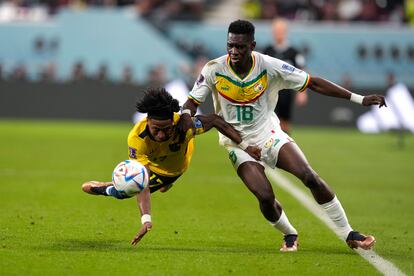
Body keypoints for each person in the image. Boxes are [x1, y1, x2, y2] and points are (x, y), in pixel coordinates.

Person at [179, 20, 386, 252]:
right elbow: (191, 102)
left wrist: (359, 99)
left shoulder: (269, 65)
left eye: (240, 47)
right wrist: (185, 114)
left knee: (310, 176)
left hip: (269, 134)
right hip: (236, 142)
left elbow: (313, 82)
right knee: (265, 196)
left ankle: (349, 232)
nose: (234, 51)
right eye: (230, 46)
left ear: (252, 45)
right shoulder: (213, 69)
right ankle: (289, 233)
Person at [82, 87, 260, 245]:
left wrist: (245, 146)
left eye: (166, 129)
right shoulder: (137, 139)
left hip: (178, 166)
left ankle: (165, 184)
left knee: (160, 182)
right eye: (156, 129)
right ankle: (108, 189)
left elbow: (215, 120)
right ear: (148, 122)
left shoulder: (184, 125)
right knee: (128, 190)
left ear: (172, 123)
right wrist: (146, 220)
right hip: (157, 168)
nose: (160, 135)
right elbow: (142, 182)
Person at [262, 17, 307, 134]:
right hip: (268, 91)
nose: (278, 33)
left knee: (284, 122)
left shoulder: (293, 52)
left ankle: (284, 148)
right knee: (268, 122)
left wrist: (302, 92)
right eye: (276, 31)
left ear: (286, 32)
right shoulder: (267, 50)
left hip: (285, 92)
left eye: (281, 31)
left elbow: (302, 72)